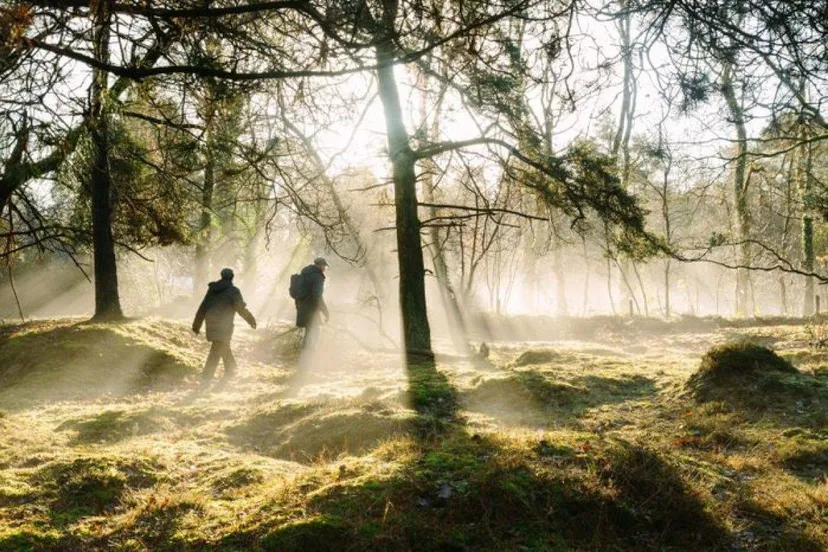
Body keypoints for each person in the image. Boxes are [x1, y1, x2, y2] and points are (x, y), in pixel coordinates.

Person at [192, 267, 256, 384]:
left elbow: (203, 307)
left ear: (221, 276)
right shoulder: (233, 291)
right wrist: (250, 320)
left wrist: (196, 325)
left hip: (211, 322)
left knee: (222, 345)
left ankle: (231, 370)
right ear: (232, 277)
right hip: (224, 324)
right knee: (217, 348)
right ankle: (207, 377)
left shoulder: (212, 290)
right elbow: (240, 308)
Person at [295, 257, 330, 349]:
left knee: (309, 329)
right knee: (314, 330)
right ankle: (309, 353)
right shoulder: (318, 277)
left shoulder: (305, 273)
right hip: (311, 308)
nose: (325, 268)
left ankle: (305, 350)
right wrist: (326, 312)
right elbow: (317, 296)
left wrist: (298, 306)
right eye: (323, 266)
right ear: (319, 265)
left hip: (302, 305)